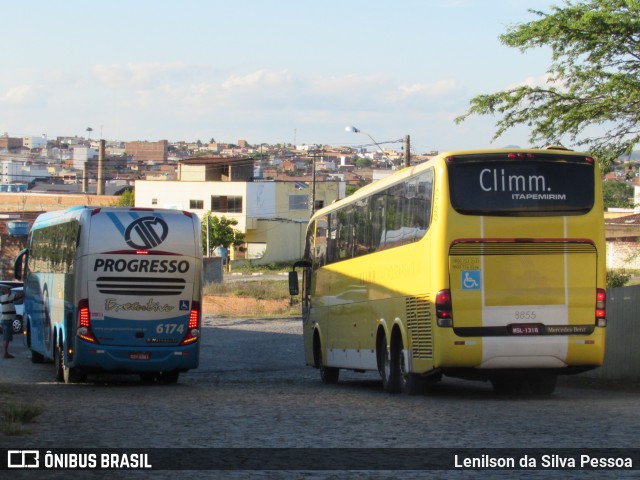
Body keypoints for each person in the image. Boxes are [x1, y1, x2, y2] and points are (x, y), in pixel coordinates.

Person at [1, 285, 23, 359]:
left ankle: (6, 353)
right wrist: (26, 291)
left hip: (6, 320)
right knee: (6, 337)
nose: (10, 291)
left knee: (6, 337)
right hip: (7, 320)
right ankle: (5, 353)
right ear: (5, 291)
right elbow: (18, 296)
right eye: (9, 289)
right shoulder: (7, 297)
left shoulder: (3, 297)